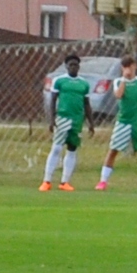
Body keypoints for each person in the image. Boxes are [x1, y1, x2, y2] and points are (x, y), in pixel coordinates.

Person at [95, 54, 137, 192]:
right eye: (125, 67)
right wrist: (124, 80)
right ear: (122, 68)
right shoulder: (118, 82)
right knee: (113, 150)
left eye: (130, 66)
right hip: (123, 122)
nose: (128, 69)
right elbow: (118, 95)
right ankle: (103, 181)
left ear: (135, 67)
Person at [40, 54, 89, 191]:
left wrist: (90, 123)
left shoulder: (83, 83)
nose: (73, 67)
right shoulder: (59, 81)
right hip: (62, 118)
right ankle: (47, 181)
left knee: (72, 149)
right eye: (71, 65)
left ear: (79, 67)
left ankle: (64, 182)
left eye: (76, 65)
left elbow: (87, 103)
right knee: (56, 148)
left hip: (77, 120)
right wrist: (51, 119)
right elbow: (53, 100)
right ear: (66, 66)